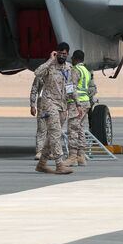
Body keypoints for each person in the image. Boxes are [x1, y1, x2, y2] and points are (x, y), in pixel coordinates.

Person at [31, 42, 76, 174]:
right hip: (49, 104)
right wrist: (50, 60)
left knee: (52, 136)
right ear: (56, 53)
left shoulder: (68, 68)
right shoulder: (50, 66)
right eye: (60, 53)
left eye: (65, 54)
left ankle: (42, 164)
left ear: (67, 54)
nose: (62, 55)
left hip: (62, 106)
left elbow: (71, 88)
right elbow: (37, 72)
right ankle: (59, 164)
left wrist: (77, 104)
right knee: (56, 133)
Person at [67, 50, 97, 167]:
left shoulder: (75, 70)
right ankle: (81, 156)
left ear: (75, 58)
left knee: (73, 130)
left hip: (76, 104)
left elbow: (72, 88)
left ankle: (72, 157)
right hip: (85, 103)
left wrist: (70, 100)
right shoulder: (86, 71)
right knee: (80, 130)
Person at [29, 74, 47, 160]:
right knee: (42, 129)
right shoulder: (41, 75)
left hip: (56, 105)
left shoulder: (60, 72)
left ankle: (49, 151)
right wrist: (32, 105)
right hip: (42, 106)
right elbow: (34, 90)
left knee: (54, 130)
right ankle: (40, 151)